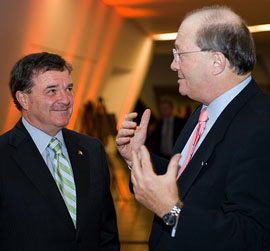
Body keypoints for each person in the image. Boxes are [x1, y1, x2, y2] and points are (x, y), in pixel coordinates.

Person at [116, 5, 270, 250]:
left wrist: (172, 211)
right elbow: (188, 179)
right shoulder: (203, 112)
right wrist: (137, 158)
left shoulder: (261, 126)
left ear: (216, 62)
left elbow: (252, 236)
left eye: (180, 54)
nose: (173, 65)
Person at [0, 52, 120, 251]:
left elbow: (106, 231)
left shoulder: (92, 150)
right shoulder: (4, 156)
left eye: (68, 89)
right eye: (52, 91)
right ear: (23, 99)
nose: (65, 99)